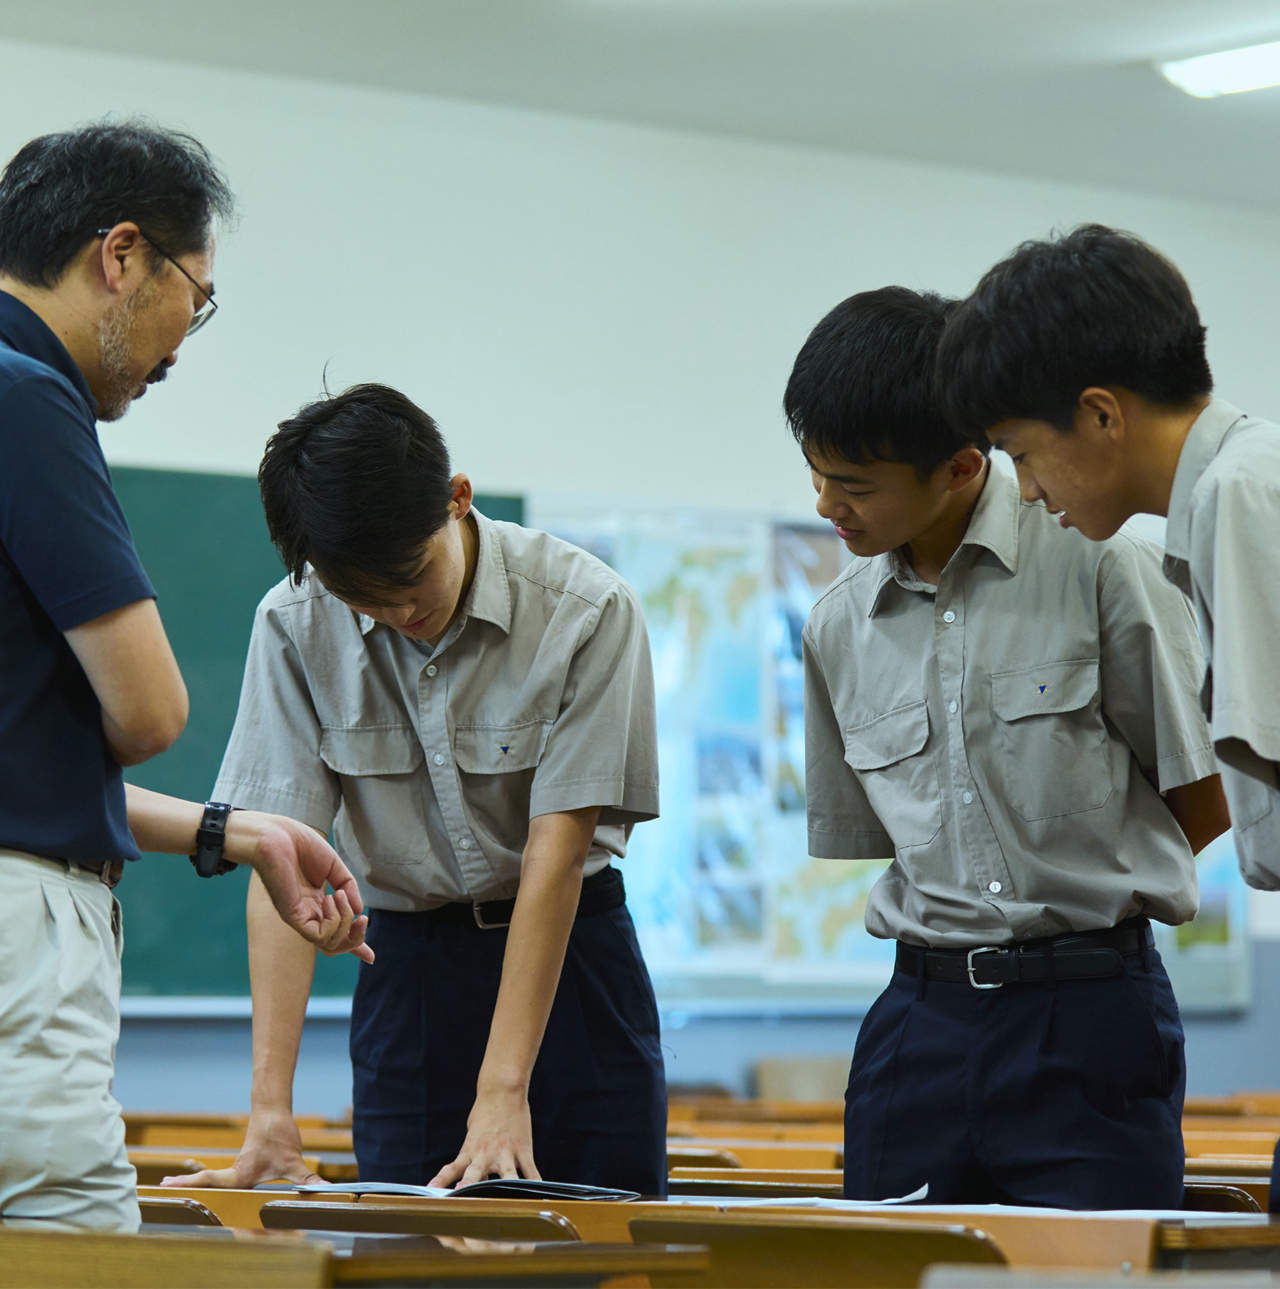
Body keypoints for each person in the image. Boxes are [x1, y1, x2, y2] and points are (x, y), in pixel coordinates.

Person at [0, 121, 370, 1230]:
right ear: (122, 255)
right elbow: (151, 708)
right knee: (69, 1242)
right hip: (21, 932)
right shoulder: (24, 395)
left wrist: (233, 829)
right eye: (193, 299)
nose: (179, 343)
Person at [789, 286, 1230, 1207]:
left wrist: (1063, 915)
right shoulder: (838, 627)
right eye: (816, 471)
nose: (827, 503)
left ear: (957, 465)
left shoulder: (1102, 562)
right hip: (921, 1021)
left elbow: (1203, 795)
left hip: (1090, 1015)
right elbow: (879, 842)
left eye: (855, 483)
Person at [165, 383, 666, 1195]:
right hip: (412, 973)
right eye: (364, 596)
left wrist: (504, 1089)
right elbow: (279, 857)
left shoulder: (586, 609)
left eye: (410, 578)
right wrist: (269, 1114)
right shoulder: (293, 623)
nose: (400, 612)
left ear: (457, 500)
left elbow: (556, 852)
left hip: (572, 960)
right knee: (408, 1253)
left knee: (604, 1248)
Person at [933, 221, 1280, 1209]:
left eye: (1022, 454)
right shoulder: (1233, 486)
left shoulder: (1237, 497)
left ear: (1098, 414)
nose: (1028, 491)